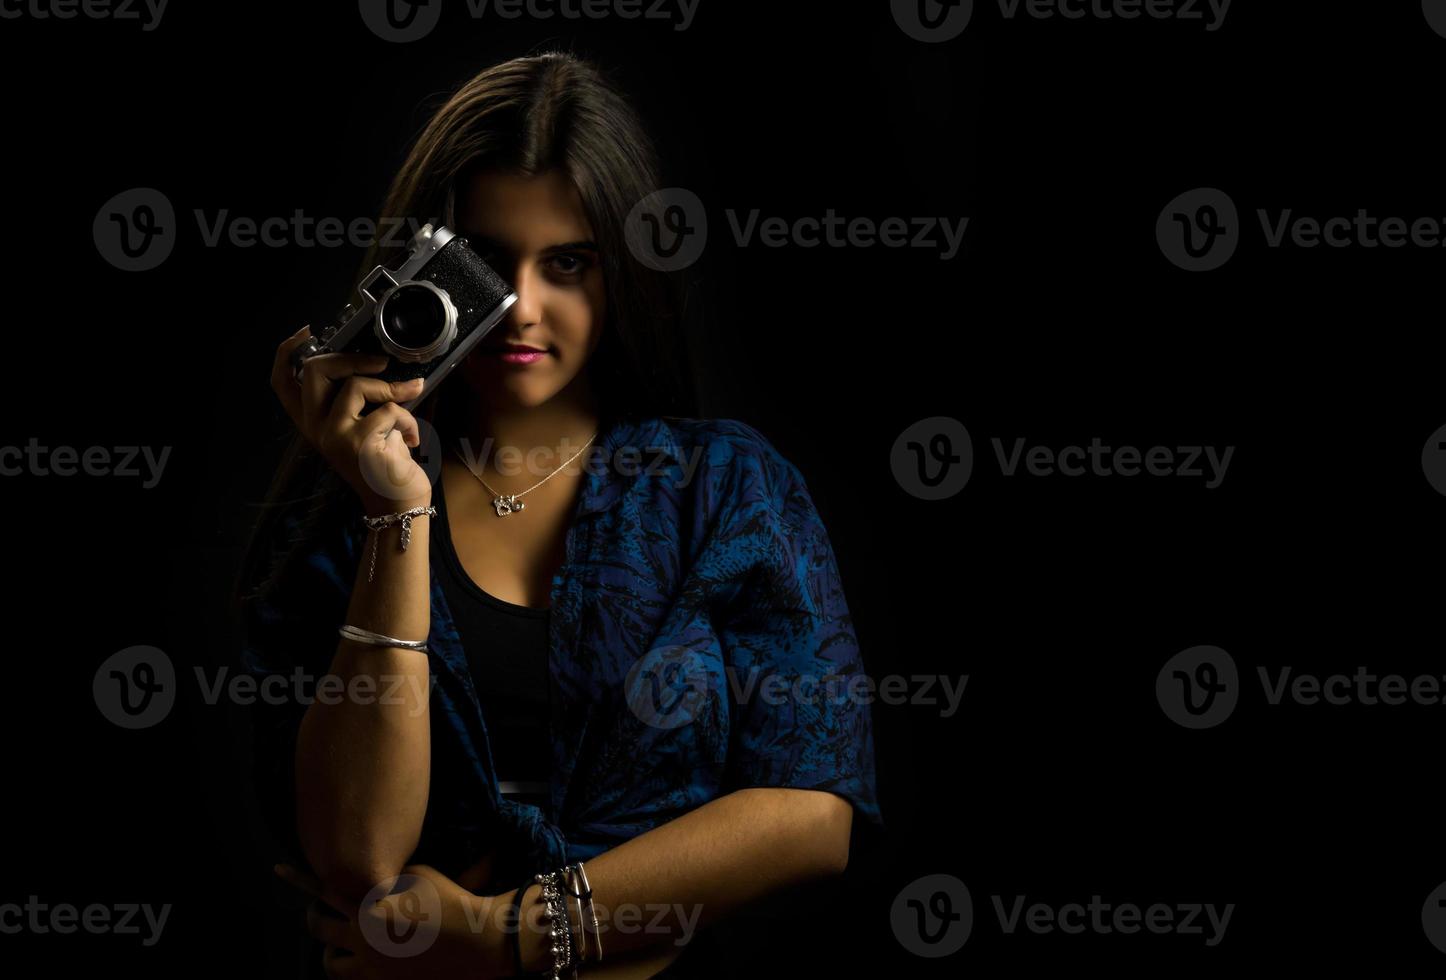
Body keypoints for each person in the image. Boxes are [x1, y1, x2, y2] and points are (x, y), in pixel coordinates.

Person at [234, 49, 883, 978]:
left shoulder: (727, 486)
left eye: (569, 264)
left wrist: (508, 938)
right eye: (489, 265)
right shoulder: (339, 512)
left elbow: (813, 812)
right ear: (419, 274)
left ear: (623, 272)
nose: (523, 310)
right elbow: (357, 860)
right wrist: (394, 512)